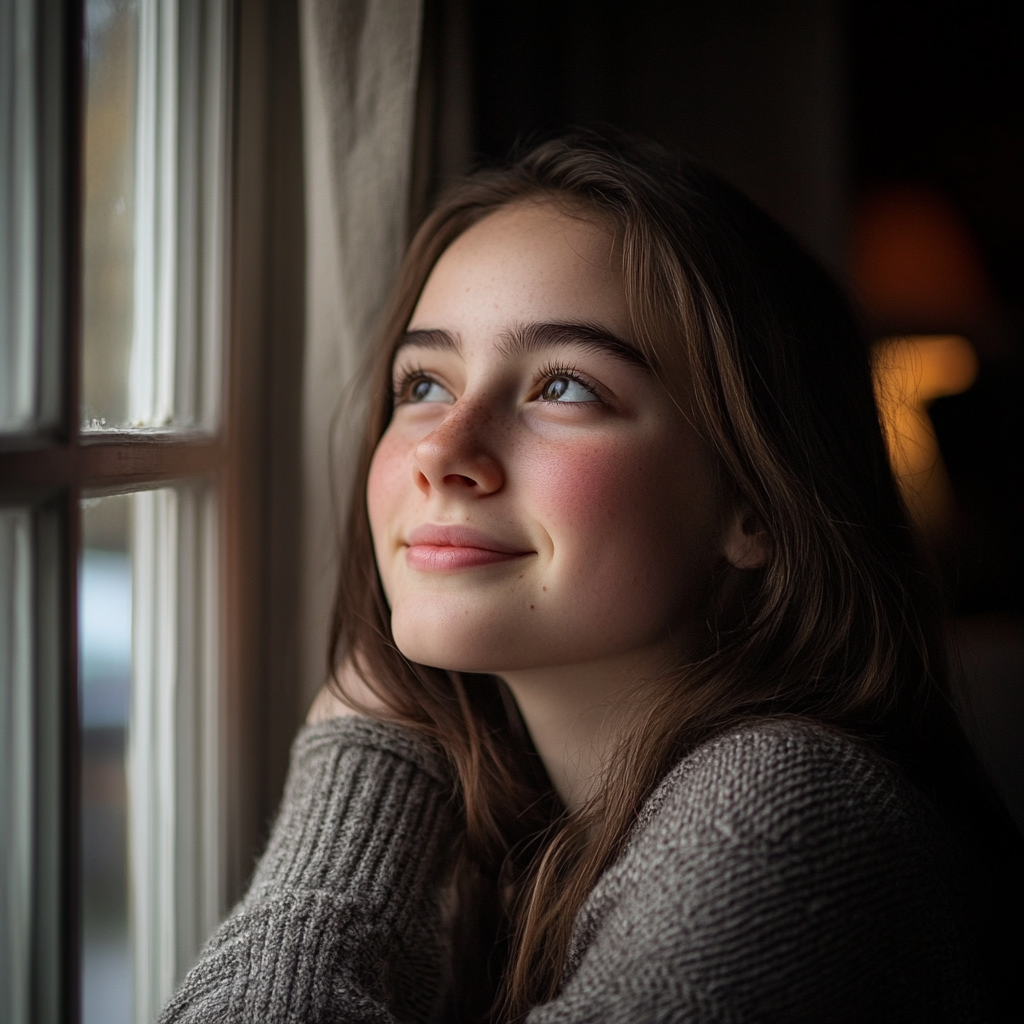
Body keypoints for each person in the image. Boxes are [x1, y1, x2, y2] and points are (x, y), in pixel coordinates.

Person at [161, 131, 1023, 1023]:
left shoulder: (792, 809)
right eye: (424, 383)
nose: (444, 453)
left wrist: (358, 772)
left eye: (566, 387)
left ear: (754, 504)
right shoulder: (519, 841)